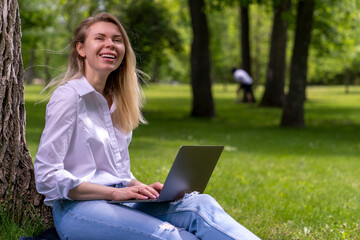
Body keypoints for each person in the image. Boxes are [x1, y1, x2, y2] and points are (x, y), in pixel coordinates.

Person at [34, 12, 261, 240]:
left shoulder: (119, 101)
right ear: (81, 49)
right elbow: (46, 176)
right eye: (100, 38)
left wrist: (143, 189)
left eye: (117, 39)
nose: (110, 45)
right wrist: (115, 193)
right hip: (78, 209)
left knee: (200, 205)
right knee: (175, 237)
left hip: (122, 200)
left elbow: (117, 172)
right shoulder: (69, 96)